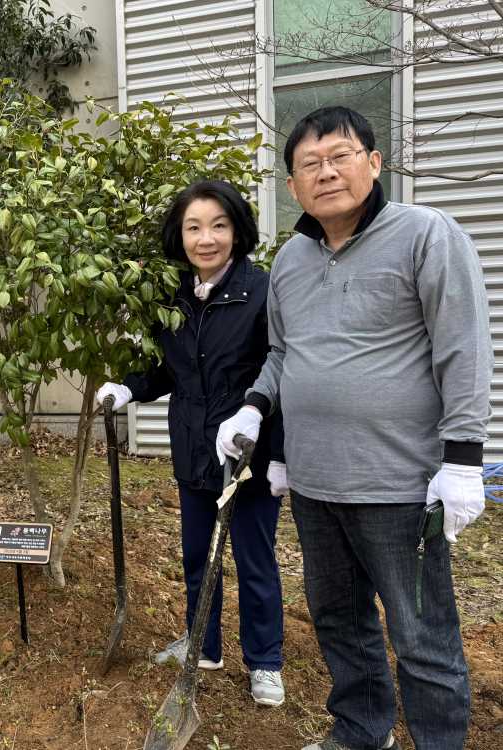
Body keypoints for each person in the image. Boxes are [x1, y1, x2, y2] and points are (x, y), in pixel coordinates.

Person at [216, 107, 490, 750]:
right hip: (314, 483)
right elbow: (285, 354)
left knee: (422, 639)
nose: (326, 171)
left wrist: (463, 458)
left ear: (373, 161)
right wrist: (255, 407)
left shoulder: (426, 234)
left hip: (399, 484)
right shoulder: (291, 261)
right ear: (292, 185)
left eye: (339, 155)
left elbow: (464, 347)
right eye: (309, 163)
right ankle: (363, 733)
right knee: (339, 622)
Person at [97, 180, 288, 707]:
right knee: (196, 557)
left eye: (219, 225)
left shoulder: (262, 291)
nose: (207, 238)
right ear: (179, 235)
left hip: (248, 454)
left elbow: (285, 369)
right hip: (193, 449)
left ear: (238, 230)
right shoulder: (173, 295)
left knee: (254, 560)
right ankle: (203, 645)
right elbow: (170, 371)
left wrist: (280, 454)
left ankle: (265, 661)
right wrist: (128, 387)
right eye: (194, 227)